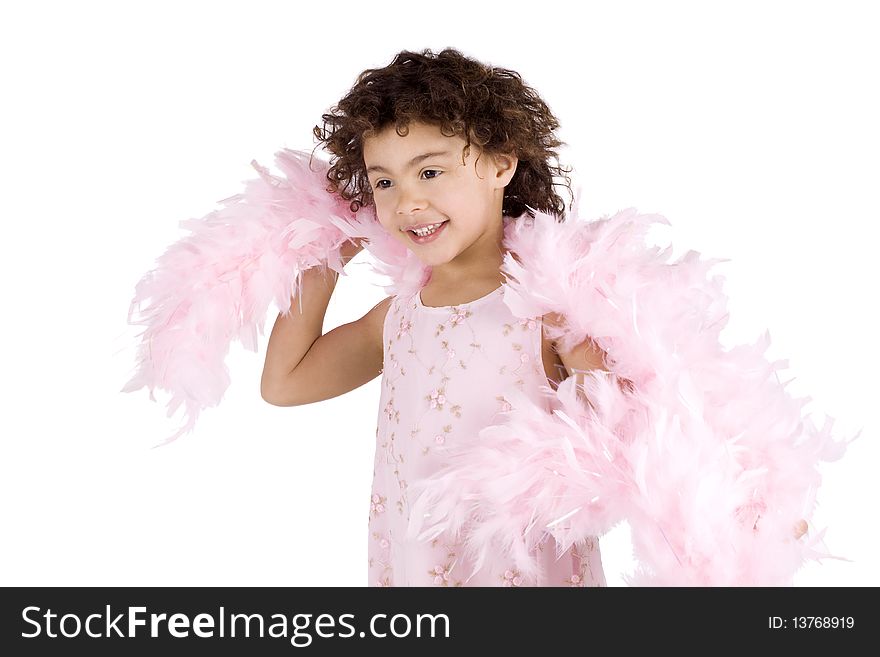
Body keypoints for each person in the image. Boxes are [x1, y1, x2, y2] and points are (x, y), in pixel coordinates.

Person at [259, 48, 609, 586]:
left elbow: (646, 429)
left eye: (429, 171)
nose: (407, 202)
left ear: (501, 163)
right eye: (384, 182)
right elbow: (284, 383)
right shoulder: (398, 318)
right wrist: (325, 250)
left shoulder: (550, 311)